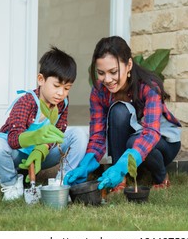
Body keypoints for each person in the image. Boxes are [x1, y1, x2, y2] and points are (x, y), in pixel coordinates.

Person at [64, 36, 181, 192]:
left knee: (134, 141)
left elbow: (151, 134)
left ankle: (161, 176)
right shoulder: (99, 91)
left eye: (113, 72)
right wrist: (85, 166)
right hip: (130, 144)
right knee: (118, 111)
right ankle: (120, 180)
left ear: (129, 65)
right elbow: (98, 136)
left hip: (163, 143)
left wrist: (120, 167)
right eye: (101, 72)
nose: (107, 79)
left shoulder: (148, 87)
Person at [0, 46, 87, 201]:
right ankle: (12, 184)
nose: (61, 93)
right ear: (41, 80)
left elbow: (59, 130)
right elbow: (13, 139)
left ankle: (63, 181)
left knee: (79, 135)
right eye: (56, 86)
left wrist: (41, 150)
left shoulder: (62, 102)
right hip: (18, 155)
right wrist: (36, 137)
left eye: (67, 88)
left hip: (42, 156)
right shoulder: (26, 102)